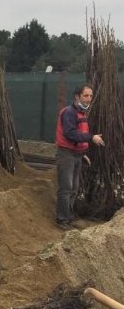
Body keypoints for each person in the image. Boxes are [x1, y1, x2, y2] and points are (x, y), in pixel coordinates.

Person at [55, 83, 105, 230]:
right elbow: (69, 133)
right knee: (66, 187)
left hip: (76, 155)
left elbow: (78, 135)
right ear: (77, 96)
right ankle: (62, 220)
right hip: (66, 154)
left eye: (90, 95)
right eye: (86, 95)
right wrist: (91, 138)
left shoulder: (81, 113)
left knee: (74, 187)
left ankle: (69, 217)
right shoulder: (69, 112)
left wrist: (82, 153)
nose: (89, 98)